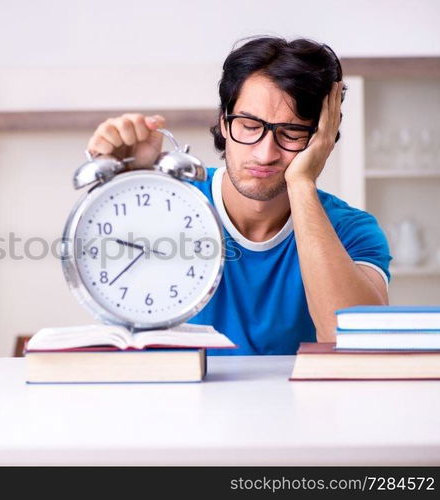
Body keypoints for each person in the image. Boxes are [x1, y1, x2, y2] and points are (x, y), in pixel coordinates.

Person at [85, 36, 391, 355]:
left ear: (323, 139)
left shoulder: (353, 230)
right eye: (248, 125)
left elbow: (356, 343)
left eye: (292, 132)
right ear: (223, 121)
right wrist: (120, 182)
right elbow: (104, 277)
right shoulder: (168, 203)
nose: (264, 153)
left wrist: (302, 183)